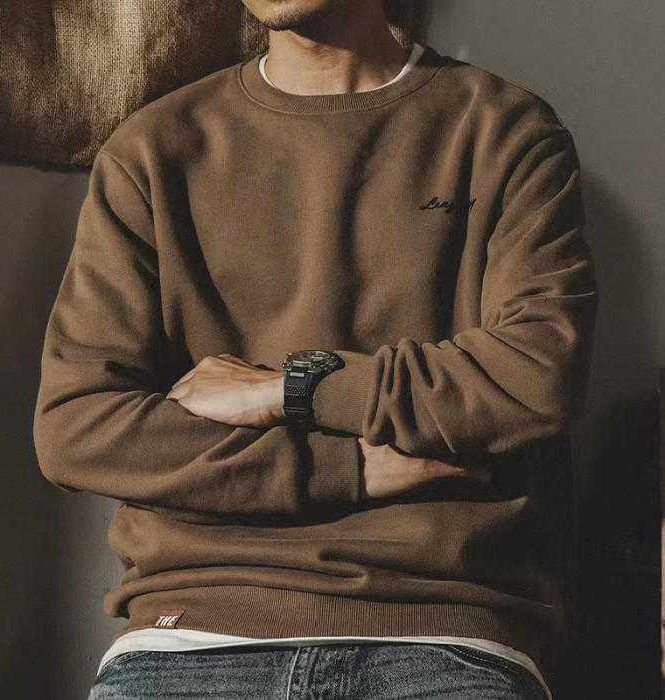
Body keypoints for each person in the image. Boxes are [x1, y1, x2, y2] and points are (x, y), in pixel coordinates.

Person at [33, 0, 598, 698]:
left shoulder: (505, 130)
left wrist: (291, 388)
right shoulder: (151, 149)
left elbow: (536, 378)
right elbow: (78, 427)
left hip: (442, 628)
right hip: (193, 629)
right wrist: (350, 467)